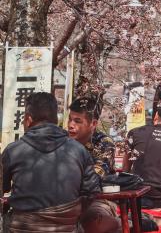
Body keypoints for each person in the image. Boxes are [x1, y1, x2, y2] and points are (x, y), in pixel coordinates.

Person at [2, 92, 100, 231]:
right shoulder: (79, 151)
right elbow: (91, 192)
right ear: (56, 120)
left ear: (28, 120)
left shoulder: (13, 151)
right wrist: (67, 214)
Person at [68, 96, 120, 233]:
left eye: (77, 121)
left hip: (99, 199)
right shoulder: (63, 140)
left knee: (95, 223)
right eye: (70, 119)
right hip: (65, 198)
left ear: (94, 123)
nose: (70, 125)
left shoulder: (104, 143)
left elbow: (94, 179)